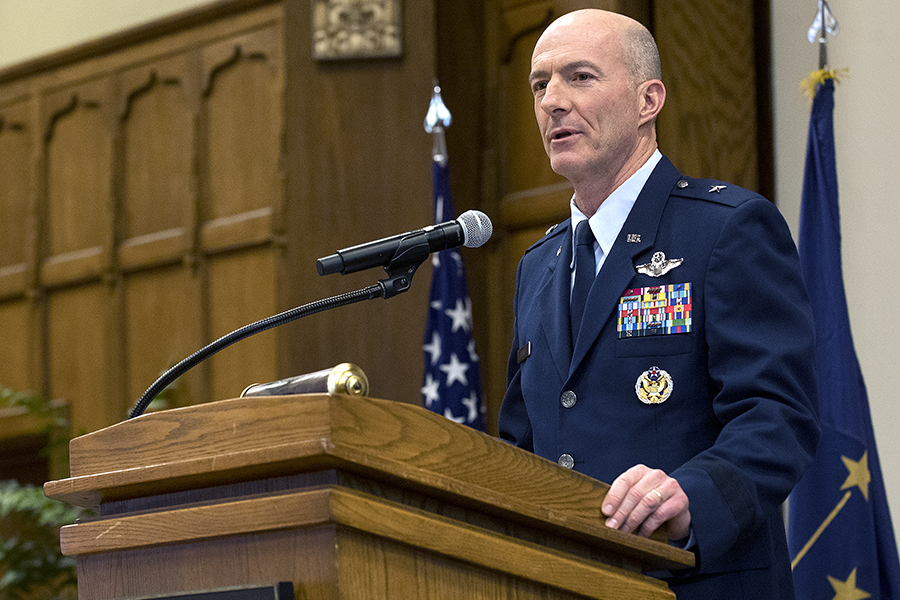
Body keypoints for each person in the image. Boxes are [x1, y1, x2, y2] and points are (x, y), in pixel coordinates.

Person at [498, 9, 820, 599]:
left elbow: (778, 417)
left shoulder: (726, 230)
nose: (553, 102)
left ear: (648, 101)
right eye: (540, 85)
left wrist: (690, 497)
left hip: (692, 581)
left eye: (580, 77)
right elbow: (521, 446)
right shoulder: (538, 266)